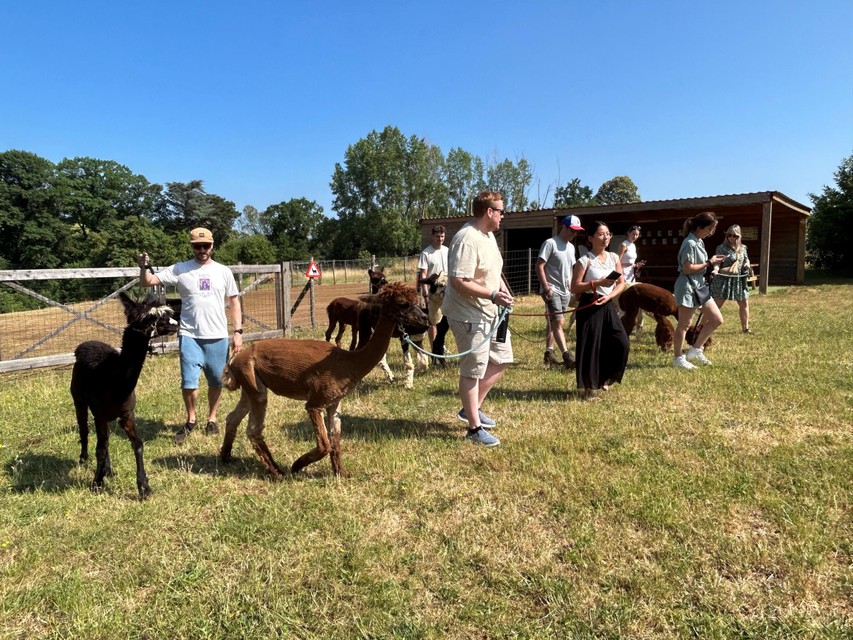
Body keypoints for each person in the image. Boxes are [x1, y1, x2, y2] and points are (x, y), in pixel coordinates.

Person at [137, 227, 243, 442]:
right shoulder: (180, 269)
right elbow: (147, 282)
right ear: (192, 247)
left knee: (216, 381)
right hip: (189, 335)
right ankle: (191, 419)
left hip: (217, 336)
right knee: (189, 382)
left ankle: (211, 419)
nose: (202, 250)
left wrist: (238, 331)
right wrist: (143, 267)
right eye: (197, 246)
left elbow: (233, 301)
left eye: (206, 246)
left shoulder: (223, 271)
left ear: (212, 246)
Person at [442, 190, 514, 447]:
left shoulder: (488, 236)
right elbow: (458, 282)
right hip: (468, 314)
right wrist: (493, 294)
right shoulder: (467, 239)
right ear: (489, 212)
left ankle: (470, 408)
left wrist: (501, 288)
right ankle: (474, 428)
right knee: (473, 370)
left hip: (490, 311)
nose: (503, 216)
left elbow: (495, 269)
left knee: (502, 358)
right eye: (501, 211)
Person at [569, 220, 630, 400]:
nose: (606, 237)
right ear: (591, 238)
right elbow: (574, 287)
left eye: (608, 234)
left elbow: (621, 283)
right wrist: (597, 283)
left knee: (621, 342)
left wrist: (610, 296)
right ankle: (589, 387)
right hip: (589, 304)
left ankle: (606, 377)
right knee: (591, 346)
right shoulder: (584, 260)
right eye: (601, 234)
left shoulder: (613, 258)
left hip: (608, 303)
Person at [672, 212, 726, 369]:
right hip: (688, 286)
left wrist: (713, 267)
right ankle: (678, 358)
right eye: (709, 229)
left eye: (713, 229)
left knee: (717, 319)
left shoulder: (699, 241)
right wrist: (709, 262)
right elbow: (688, 269)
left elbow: (700, 266)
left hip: (699, 286)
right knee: (684, 325)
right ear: (699, 227)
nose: (711, 232)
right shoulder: (689, 243)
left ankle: (695, 350)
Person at [536, 215, 583, 369]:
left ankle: (549, 353)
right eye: (571, 230)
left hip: (565, 291)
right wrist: (547, 288)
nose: (573, 233)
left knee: (553, 322)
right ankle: (567, 356)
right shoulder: (550, 244)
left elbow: (570, 269)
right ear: (563, 227)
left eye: (576, 231)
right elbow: (539, 266)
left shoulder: (570, 247)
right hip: (552, 290)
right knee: (559, 322)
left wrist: (572, 288)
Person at [711, 224, 754, 334]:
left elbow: (746, 259)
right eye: (729, 235)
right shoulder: (721, 248)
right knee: (715, 306)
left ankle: (745, 328)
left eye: (734, 236)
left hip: (739, 280)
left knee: (744, 304)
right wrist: (716, 270)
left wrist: (747, 265)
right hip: (724, 280)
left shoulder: (743, 248)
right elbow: (716, 263)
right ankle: (700, 327)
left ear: (739, 236)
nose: (731, 238)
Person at [417, 225, 450, 362]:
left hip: (447, 291)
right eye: (438, 237)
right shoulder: (426, 253)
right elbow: (423, 273)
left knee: (447, 320)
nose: (440, 239)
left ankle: (441, 346)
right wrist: (425, 293)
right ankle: (434, 350)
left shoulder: (448, 251)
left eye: (442, 236)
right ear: (433, 236)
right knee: (433, 322)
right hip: (433, 293)